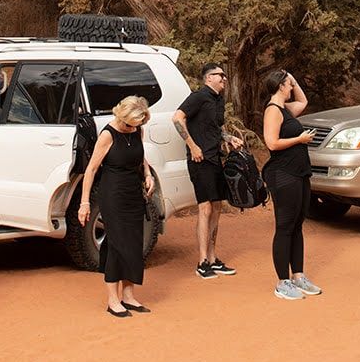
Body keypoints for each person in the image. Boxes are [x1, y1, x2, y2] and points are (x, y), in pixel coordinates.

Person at [79, 96, 156, 317]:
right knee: (116, 244)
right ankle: (113, 300)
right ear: (123, 116)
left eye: (139, 124)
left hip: (133, 193)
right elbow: (91, 170)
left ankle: (128, 296)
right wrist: (84, 203)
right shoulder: (107, 135)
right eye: (132, 123)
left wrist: (148, 174)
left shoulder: (136, 130)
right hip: (113, 195)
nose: (136, 127)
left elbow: (141, 157)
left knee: (133, 244)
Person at [173, 62, 243, 278]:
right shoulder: (199, 96)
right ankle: (202, 261)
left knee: (217, 207)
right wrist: (192, 146)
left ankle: (213, 258)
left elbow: (216, 126)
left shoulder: (218, 100)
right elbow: (177, 117)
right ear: (208, 78)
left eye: (224, 74)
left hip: (215, 159)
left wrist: (228, 137)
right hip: (199, 160)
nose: (223, 78)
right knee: (205, 208)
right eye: (219, 75)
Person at [261, 68, 320, 300]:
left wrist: (294, 80)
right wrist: (300, 138)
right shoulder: (273, 110)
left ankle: (298, 275)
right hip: (283, 175)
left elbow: (303, 101)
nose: (291, 88)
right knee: (284, 226)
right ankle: (282, 282)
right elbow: (271, 143)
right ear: (280, 87)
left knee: (297, 225)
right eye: (288, 84)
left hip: (299, 173)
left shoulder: (286, 109)